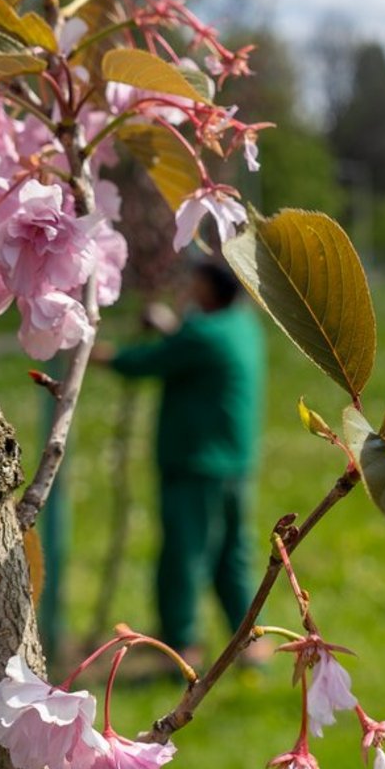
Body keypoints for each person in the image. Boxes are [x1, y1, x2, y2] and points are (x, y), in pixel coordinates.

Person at [96, 259, 265, 660]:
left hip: (194, 464)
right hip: (232, 461)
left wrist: (95, 354)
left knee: (183, 558)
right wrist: (171, 326)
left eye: (196, 283)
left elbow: (147, 362)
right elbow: (192, 350)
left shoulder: (201, 336)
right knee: (231, 555)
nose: (189, 290)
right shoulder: (242, 327)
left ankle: (180, 645)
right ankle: (249, 644)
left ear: (211, 289)